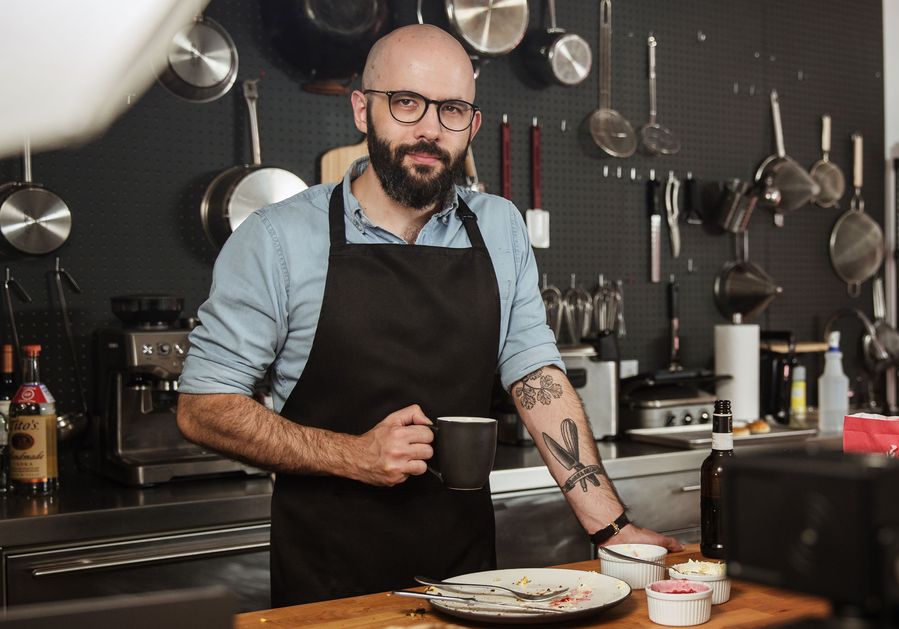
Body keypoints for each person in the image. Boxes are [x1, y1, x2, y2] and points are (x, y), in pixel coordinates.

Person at [176, 25, 680, 607]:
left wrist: (611, 528)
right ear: (363, 110)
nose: (429, 130)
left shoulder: (499, 227)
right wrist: (352, 455)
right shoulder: (277, 238)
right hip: (330, 586)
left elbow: (535, 375)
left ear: (473, 123)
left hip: (470, 582)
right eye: (407, 102)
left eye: (452, 110)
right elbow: (203, 408)